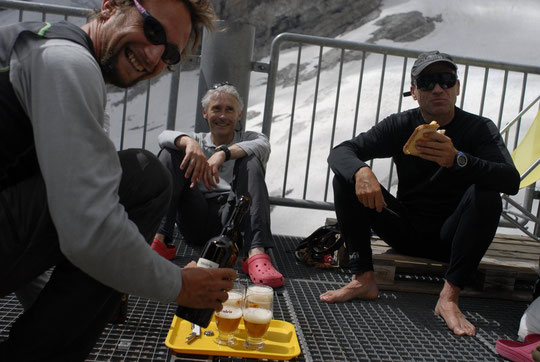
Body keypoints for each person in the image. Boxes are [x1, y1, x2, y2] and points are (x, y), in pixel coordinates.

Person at [0, 0, 237, 360]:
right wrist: (179, 285)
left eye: (169, 53)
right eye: (153, 29)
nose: (154, 54)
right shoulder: (67, 62)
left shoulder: (43, 44)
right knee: (144, 176)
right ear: (110, 7)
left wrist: (89, 293)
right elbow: (90, 229)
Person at [320, 50, 520, 336]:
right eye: (427, 82)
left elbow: (510, 180)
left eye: (446, 80)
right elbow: (342, 151)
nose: (438, 88)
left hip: (454, 239)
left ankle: (449, 297)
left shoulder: (478, 128)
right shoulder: (402, 124)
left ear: (457, 88)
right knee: (346, 179)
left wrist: (458, 159)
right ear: (414, 92)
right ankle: (363, 277)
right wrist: (361, 172)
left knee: (487, 191)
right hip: (406, 229)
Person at [151, 83, 284, 288]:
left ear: (239, 115)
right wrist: (188, 142)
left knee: (250, 160)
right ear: (205, 113)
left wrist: (223, 153)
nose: (222, 116)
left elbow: (262, 144)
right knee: (171, 152)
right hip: (195, 215)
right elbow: (163, 137)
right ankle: (159, 240)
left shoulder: (249, 138)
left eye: (229, 109)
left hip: (231, 218)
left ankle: (257, 253)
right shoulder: (196, 140)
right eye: (216, 109)